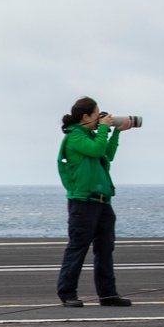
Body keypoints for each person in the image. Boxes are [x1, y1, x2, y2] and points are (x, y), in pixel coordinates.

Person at [55, 96, 134, 308]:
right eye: (96, 114)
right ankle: (68, 294)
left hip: (102, 200)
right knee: (78, 248)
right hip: (83, 202)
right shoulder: (75, 138)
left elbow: (106, 154)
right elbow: (97, 149)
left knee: (105, 249)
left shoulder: (90, 137)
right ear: (86, 116)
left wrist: (116, 131)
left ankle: (108, 294)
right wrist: (103, 129)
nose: (100, 118)